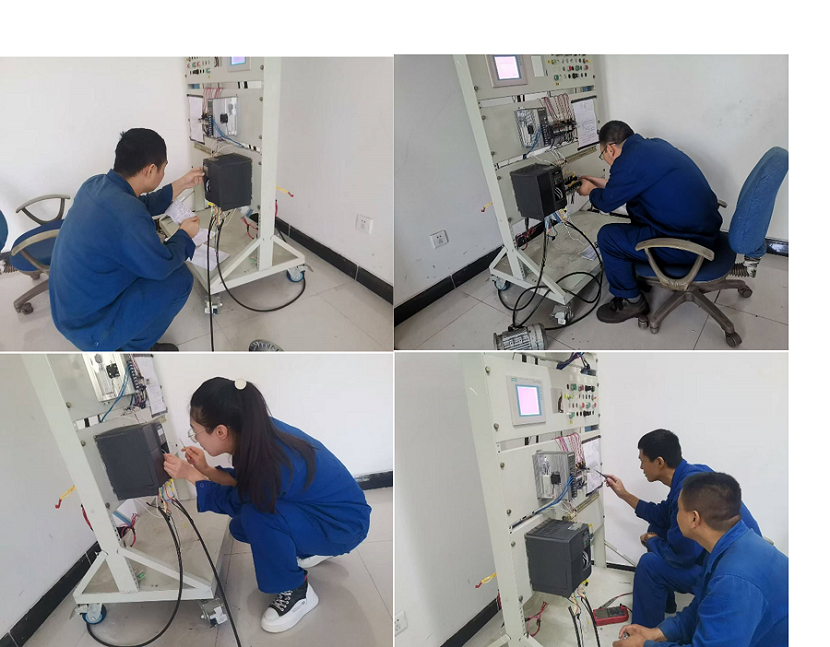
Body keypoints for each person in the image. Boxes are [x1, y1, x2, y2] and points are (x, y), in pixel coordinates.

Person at [162, 377, 372, 634]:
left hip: (343, 527)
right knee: (241, 527)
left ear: (220, 431)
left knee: (255, 518)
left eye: (195, 432)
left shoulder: (269, 461)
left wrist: (192, 476)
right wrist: (206, 470)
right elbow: (247, 482)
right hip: (329, 511)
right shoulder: (257, 432)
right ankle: (306, 549)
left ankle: (297, 591)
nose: (195, 439)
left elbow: (241, 500)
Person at [50, 128, 204, 351]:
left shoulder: (95, 185)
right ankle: (132, 349)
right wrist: (185, 235)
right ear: (150, 170)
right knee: (180, 278)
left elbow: (140, 205)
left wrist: (182, 183)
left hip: (68, 310)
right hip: (91, 328)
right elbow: (162, 266)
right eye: (163, 168)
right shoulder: (127, 214)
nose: (163, 173)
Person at [604, 429, 760, 628]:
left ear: (659, 462)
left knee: (649, 564)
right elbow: (662, 515)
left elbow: (682, 556)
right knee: (657, 527)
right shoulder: (694, 475)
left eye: (642, 460)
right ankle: (665, 601)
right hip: (740, 554)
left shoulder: (686, 493)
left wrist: (652, 541)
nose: (641, 466)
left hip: (731, 574)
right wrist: (623, 494)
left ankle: (643, 634)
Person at [612, 472, 787, 647]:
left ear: (694, 518)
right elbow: (703, 605)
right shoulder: (731, 543)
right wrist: (657, 633)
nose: (675, 516)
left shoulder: (732, 581)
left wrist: (644, 646)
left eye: (678, 509)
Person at [577, 121, 722, 324]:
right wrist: (599, 183)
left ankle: (631, 302)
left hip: (689, 246)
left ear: (610, 149)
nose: (607, 160)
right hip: (706, 230)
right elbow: (629, 183)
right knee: (636, 220)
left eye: (603, 155)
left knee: (608, 237)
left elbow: (606, 203)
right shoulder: (653, 147)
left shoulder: (628, 163)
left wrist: (590, 191)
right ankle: (634, 277)